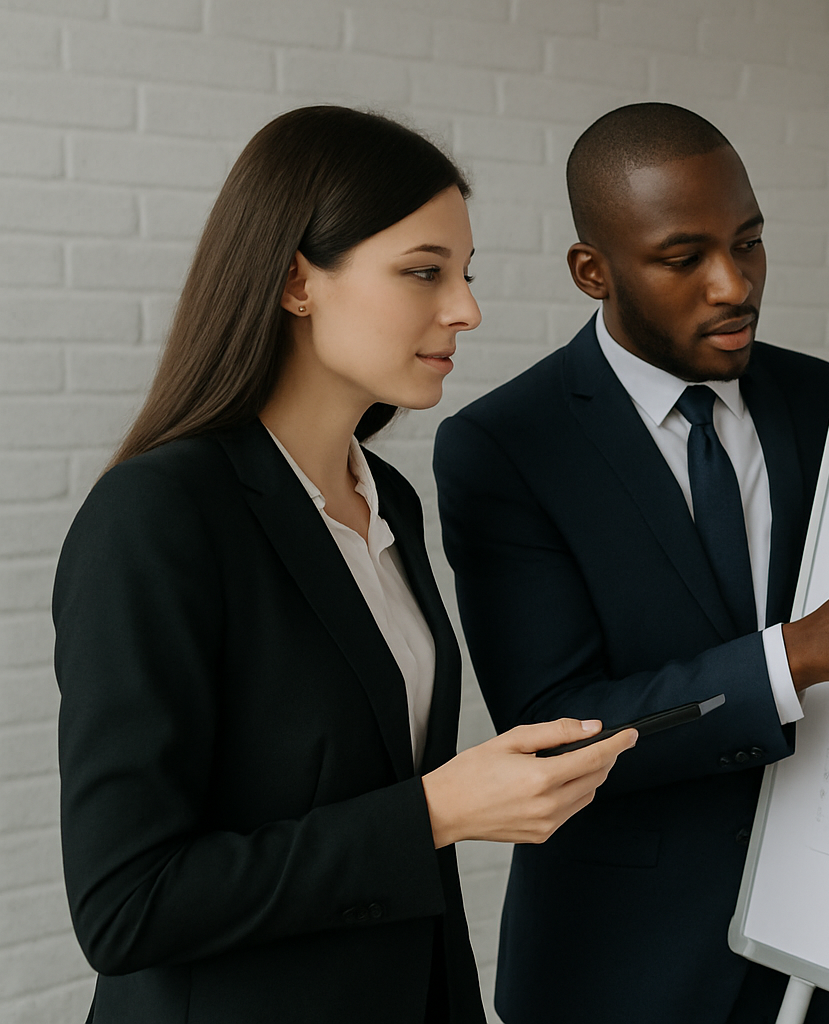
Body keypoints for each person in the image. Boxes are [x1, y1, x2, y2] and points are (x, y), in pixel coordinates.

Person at [53, 106, 636, 1024]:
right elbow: (128, 905)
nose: (466, 309)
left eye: (464, 275)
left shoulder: (389, 500)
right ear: (295, 281)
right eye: (422, 273)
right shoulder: (159, 515)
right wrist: (438, 812)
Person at [434, 102, 829, 1024]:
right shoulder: (505, 446)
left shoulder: (826, 401)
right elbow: (555, 726)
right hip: (618, 969)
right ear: (592, 271)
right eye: (684, 258)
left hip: (821, 958)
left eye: (751, 243)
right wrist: (797, 654)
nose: (733, 285)